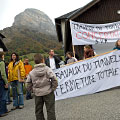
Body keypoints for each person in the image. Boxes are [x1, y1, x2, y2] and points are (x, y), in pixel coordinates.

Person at [26, 53, 58, 120]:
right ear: (43, 60)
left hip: (37, 93)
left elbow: (28, 83)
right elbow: (54, 79)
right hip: (48, 92)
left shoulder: (32, 72)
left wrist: (33, 90)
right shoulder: (47, 69)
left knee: (38, 111)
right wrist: (53, 88)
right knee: (50, 110)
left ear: (34, 61)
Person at [0, 52, 9, 117]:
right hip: (1, 81)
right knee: (3, 96)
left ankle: (5, 109)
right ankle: (2, 111)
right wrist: (6, 82)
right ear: (2, 56)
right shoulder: (1, 62)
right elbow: (3, 73)